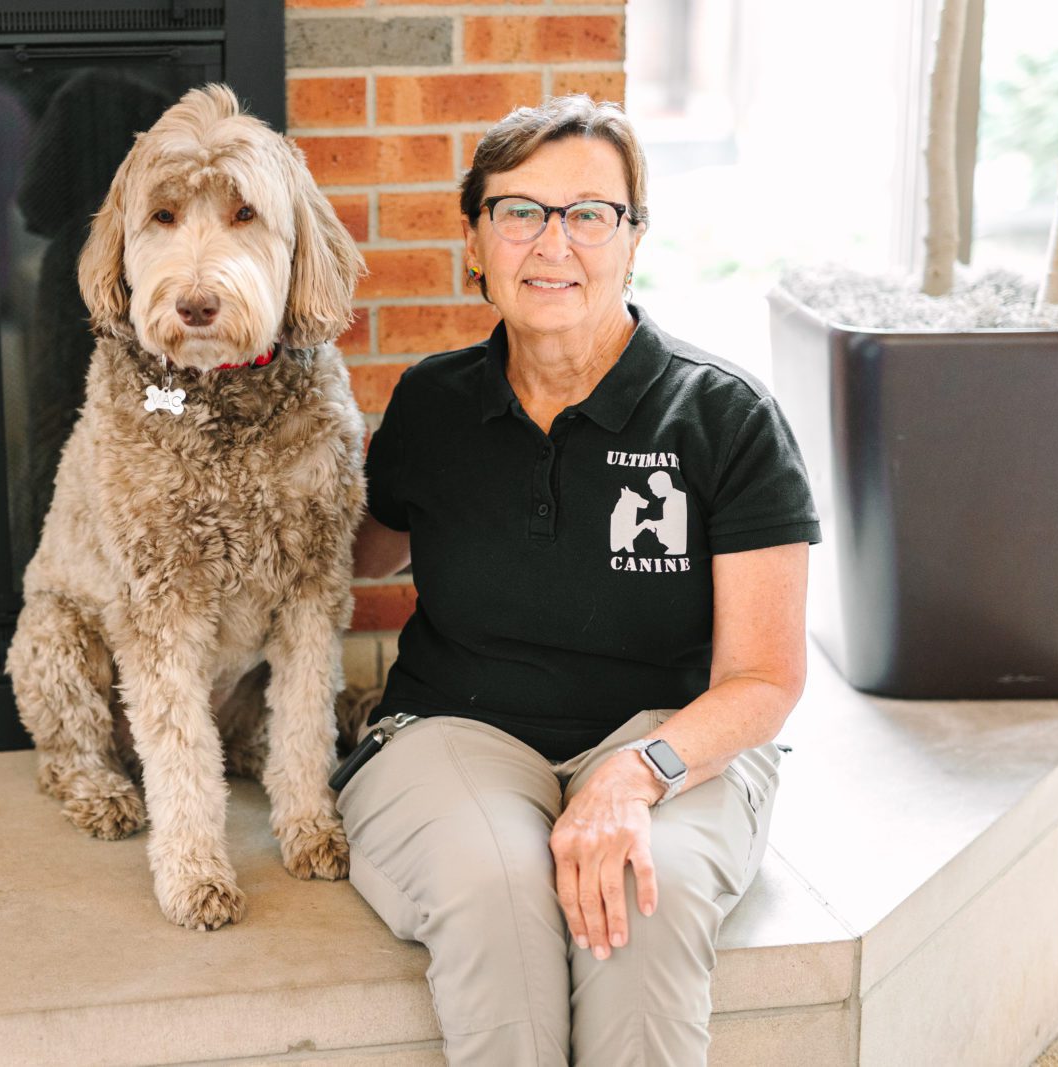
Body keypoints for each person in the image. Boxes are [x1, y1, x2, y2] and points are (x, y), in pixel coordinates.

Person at [340, 95, 820, 1067]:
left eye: (589, 213)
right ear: (474, 237)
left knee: (645, 891)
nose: (552, 243)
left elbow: (764, 677)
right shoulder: (433, 402)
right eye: (519, 211)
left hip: (669, 739)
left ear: (632, 238)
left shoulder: (723, 417)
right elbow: (349, 559)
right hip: (452, 731)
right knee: (495, 889)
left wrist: (635, 775)